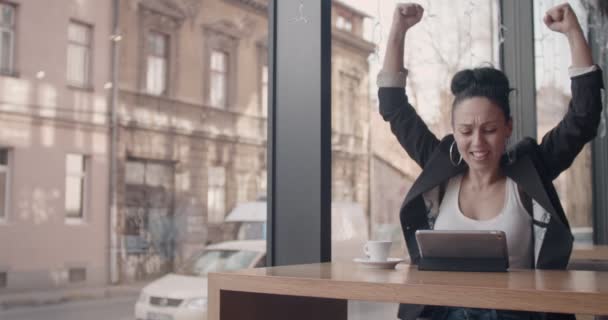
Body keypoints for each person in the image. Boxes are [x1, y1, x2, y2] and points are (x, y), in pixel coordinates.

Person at [378, 3, 604, 320]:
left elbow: (583, 116)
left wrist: (573, 33)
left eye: (490, 130)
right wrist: (398, 31)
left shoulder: (530, 170)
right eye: (466, 131)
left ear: (508, 127)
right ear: (454, 131)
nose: (478, 143)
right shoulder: (440, 167)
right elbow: (394, 109)